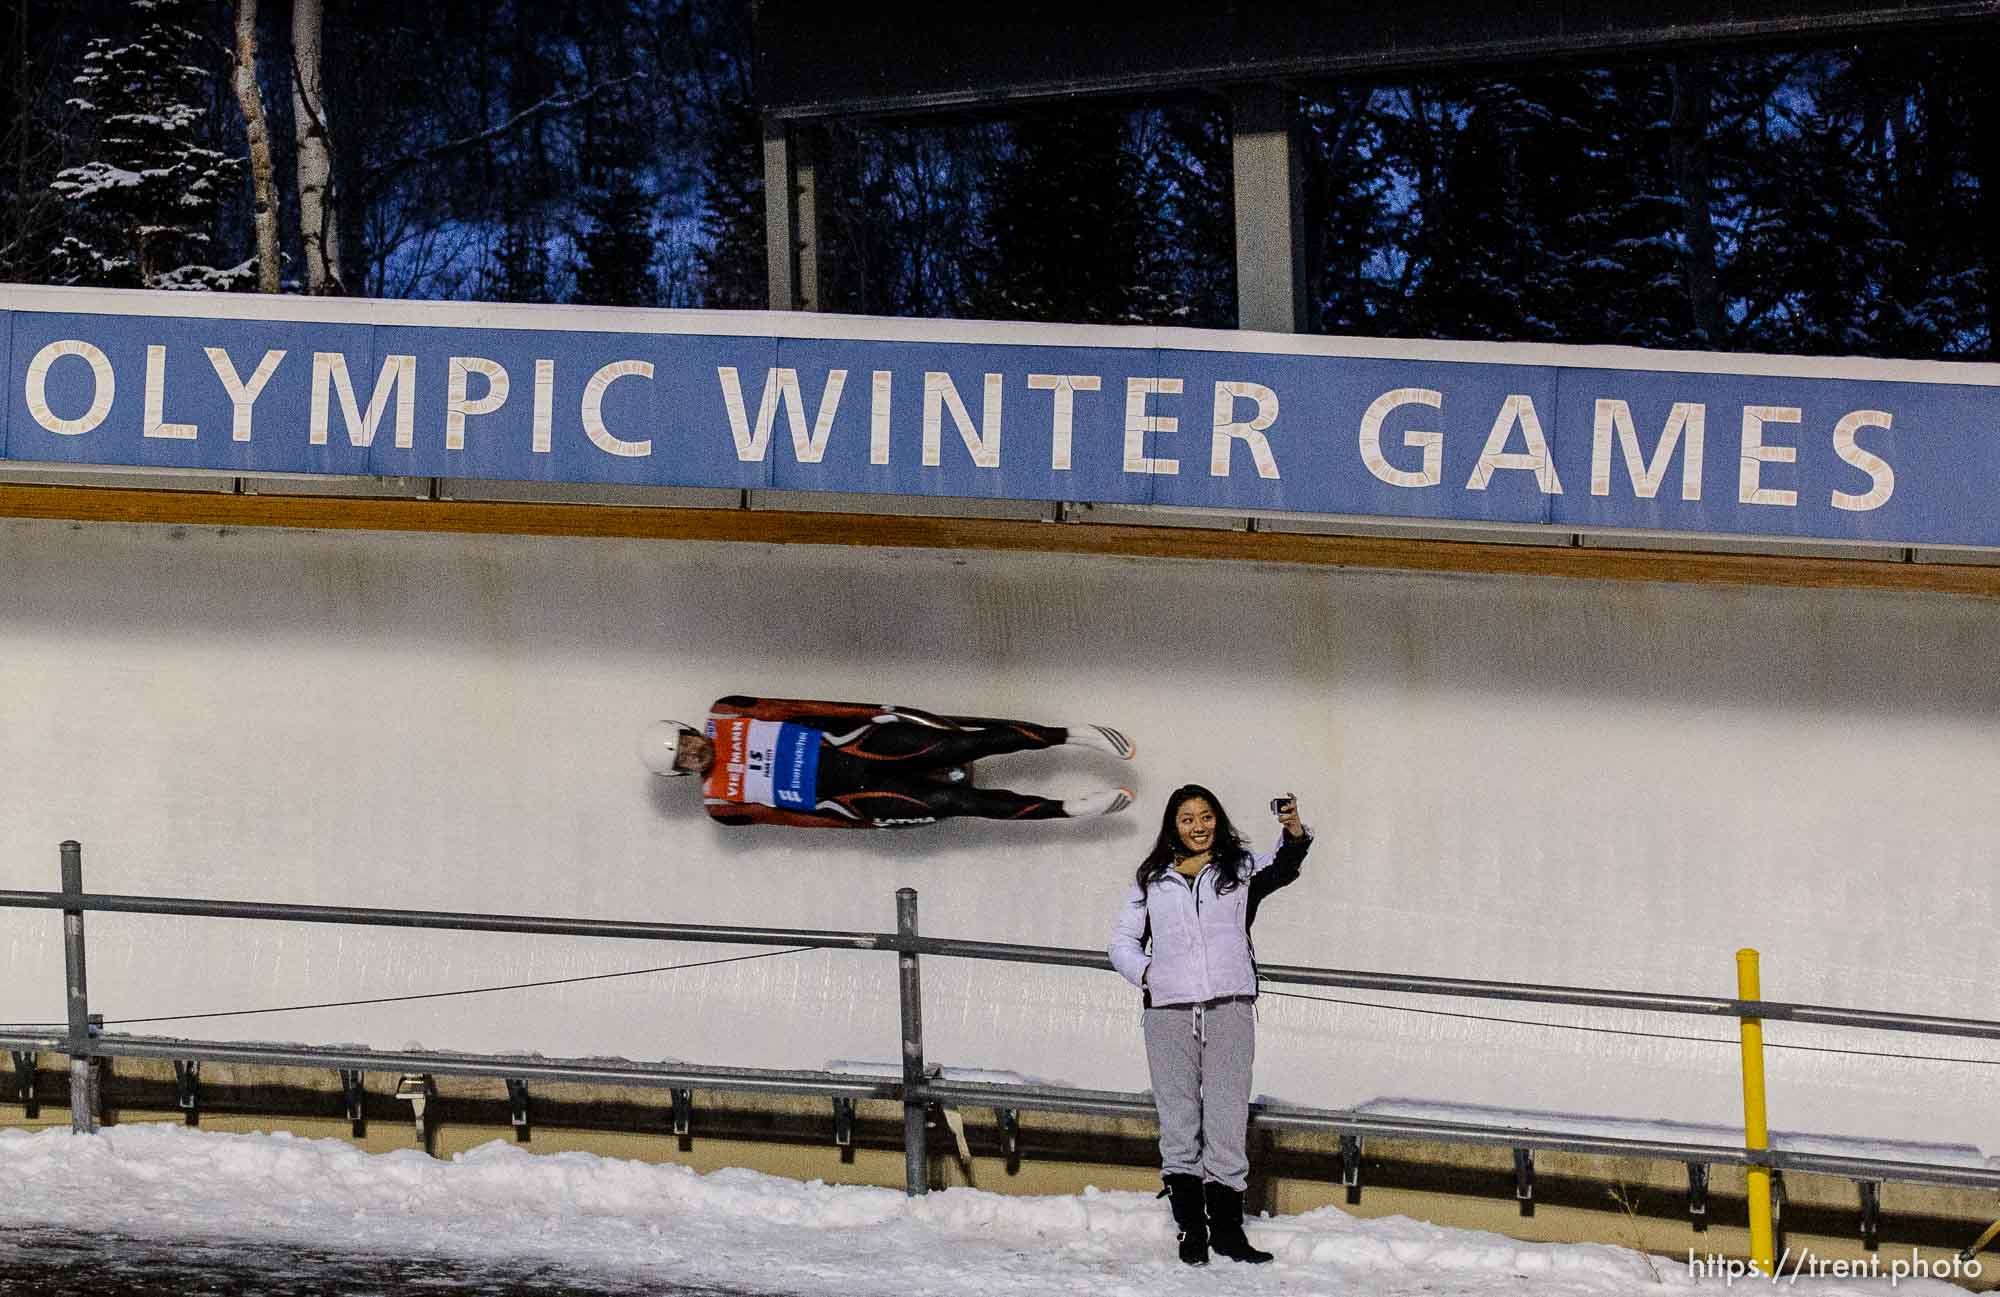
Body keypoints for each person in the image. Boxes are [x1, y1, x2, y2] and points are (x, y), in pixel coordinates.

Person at [1108, 784, 1311, 1266]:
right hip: (1169, 1013)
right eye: (1187, 819)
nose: (1198, 826)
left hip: (1229, 1008)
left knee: (1225, 1116)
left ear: (1217, 819)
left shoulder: (1238, 870)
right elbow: (1121, 942)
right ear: (1173, 826)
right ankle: (1190, 1231)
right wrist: (1150, 974)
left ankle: (1227, 1232)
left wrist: (1294, 828)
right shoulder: (1151, 879)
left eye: (1205, 816)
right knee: (1179, 1120)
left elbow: (1285, 865)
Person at [640, 696, 1136, 828]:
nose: (691, 753)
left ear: (687, 731)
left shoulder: (727, 713)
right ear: (681, 774)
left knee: (965, 744)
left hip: (858, 742)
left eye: (684, 743)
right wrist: (860, 823)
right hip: (849, 797)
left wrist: (876, 713)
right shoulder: (720, 804)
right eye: (682, 760)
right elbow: (792, 819)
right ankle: (1069, 810)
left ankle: (1077, 736)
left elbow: (802, 709)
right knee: (959, 802)